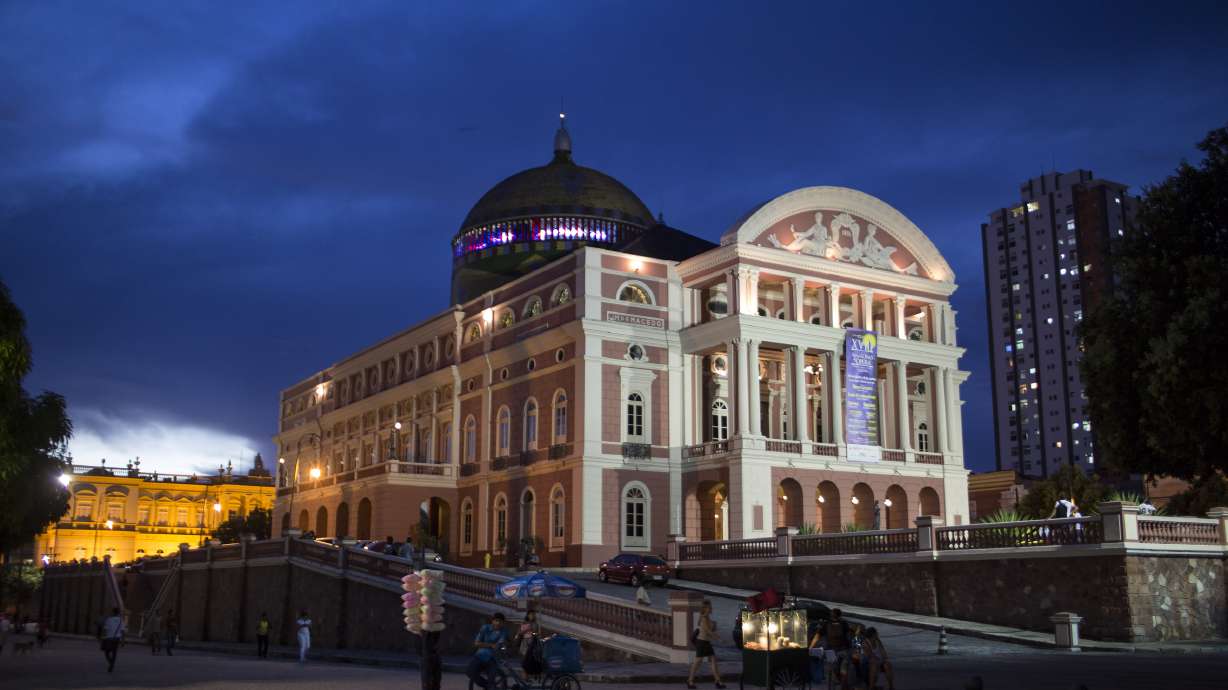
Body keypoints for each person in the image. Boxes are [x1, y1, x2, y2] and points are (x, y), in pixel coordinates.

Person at [686, 600, 725, 689]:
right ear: (705, 609)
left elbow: (711, 630)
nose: (712, 609)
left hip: (706, 643)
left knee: (713, 661)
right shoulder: (703, 618)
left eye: (711, 607)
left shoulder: (708, 618)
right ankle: (690, 681)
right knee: (697, 663)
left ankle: (718, 681)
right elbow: (708, 632)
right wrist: (719, 639)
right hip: (702, 643)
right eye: (710, 607)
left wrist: (714, 626)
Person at [467, 612, 509, 689]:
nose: (498, 623)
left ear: (503, 623)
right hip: (480, 656)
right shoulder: (485, 628)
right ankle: (489, 686)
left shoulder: (503, 631)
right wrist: (491, 645)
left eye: (500, 621)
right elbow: (476, 643)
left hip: (493, 659)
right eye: (496, 620)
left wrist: (498, 645)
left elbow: (500, 643)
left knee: (491, 679)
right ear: (492, 621)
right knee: (469, 672)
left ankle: (490, 686)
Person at [825, 608, 852, 690]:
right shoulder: (844, 623)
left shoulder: (827, 623)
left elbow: (818, 635)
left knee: (833, 669)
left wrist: (811, 647)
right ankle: (844, 686)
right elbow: (849, 635)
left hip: (831, 650)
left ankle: (838, 685)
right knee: (843, 670)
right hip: (843, 649)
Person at [514, 610, 543, 681]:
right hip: (524, 643)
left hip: (532, 643)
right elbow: (519, 633)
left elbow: (537, 634)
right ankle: (525, 678)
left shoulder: (536, 624)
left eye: (533, 615)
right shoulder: (524, 623)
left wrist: (533, 633)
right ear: (527, 615)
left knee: (530, 661)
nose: (532, 616)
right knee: (524, 661)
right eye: (530, 615)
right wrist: (525, 630)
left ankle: (530, 676)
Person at [100, 607, 125, 672]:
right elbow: (123, 631)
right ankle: (112, 663)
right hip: (117, 638)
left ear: (113, 612)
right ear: (118, 613)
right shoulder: (121, 620)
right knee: (114, 652)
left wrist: (103, 637)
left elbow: (105, 630)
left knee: (106, 652)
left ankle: (111, 662)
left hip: (109, 638)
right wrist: (122, 641)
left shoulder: (109, 619)